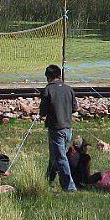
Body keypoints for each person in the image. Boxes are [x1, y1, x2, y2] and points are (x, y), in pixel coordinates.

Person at [39, 63, 78, 192]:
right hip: (68, 128)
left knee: (60, 158)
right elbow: (74, 108)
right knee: (55, 156)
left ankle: (69, 187)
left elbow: (43, 111)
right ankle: (47, 180)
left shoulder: (48, 89)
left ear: (48, 77)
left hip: (56, 129)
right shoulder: (69, 89)